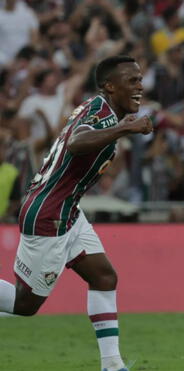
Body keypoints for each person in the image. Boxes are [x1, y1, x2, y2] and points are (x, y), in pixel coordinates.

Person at [0, 55, 153, 371]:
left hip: (68, 210)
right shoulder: (103, 116)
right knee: (24, 304)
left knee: (104, 276)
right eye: (132, 81)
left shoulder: (101, 108)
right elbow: (75, 143)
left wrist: (121, 127)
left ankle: (112, 365)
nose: (140, 87)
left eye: (140, 79)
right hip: (50, 214)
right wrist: (123, 129)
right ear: (110, 86)